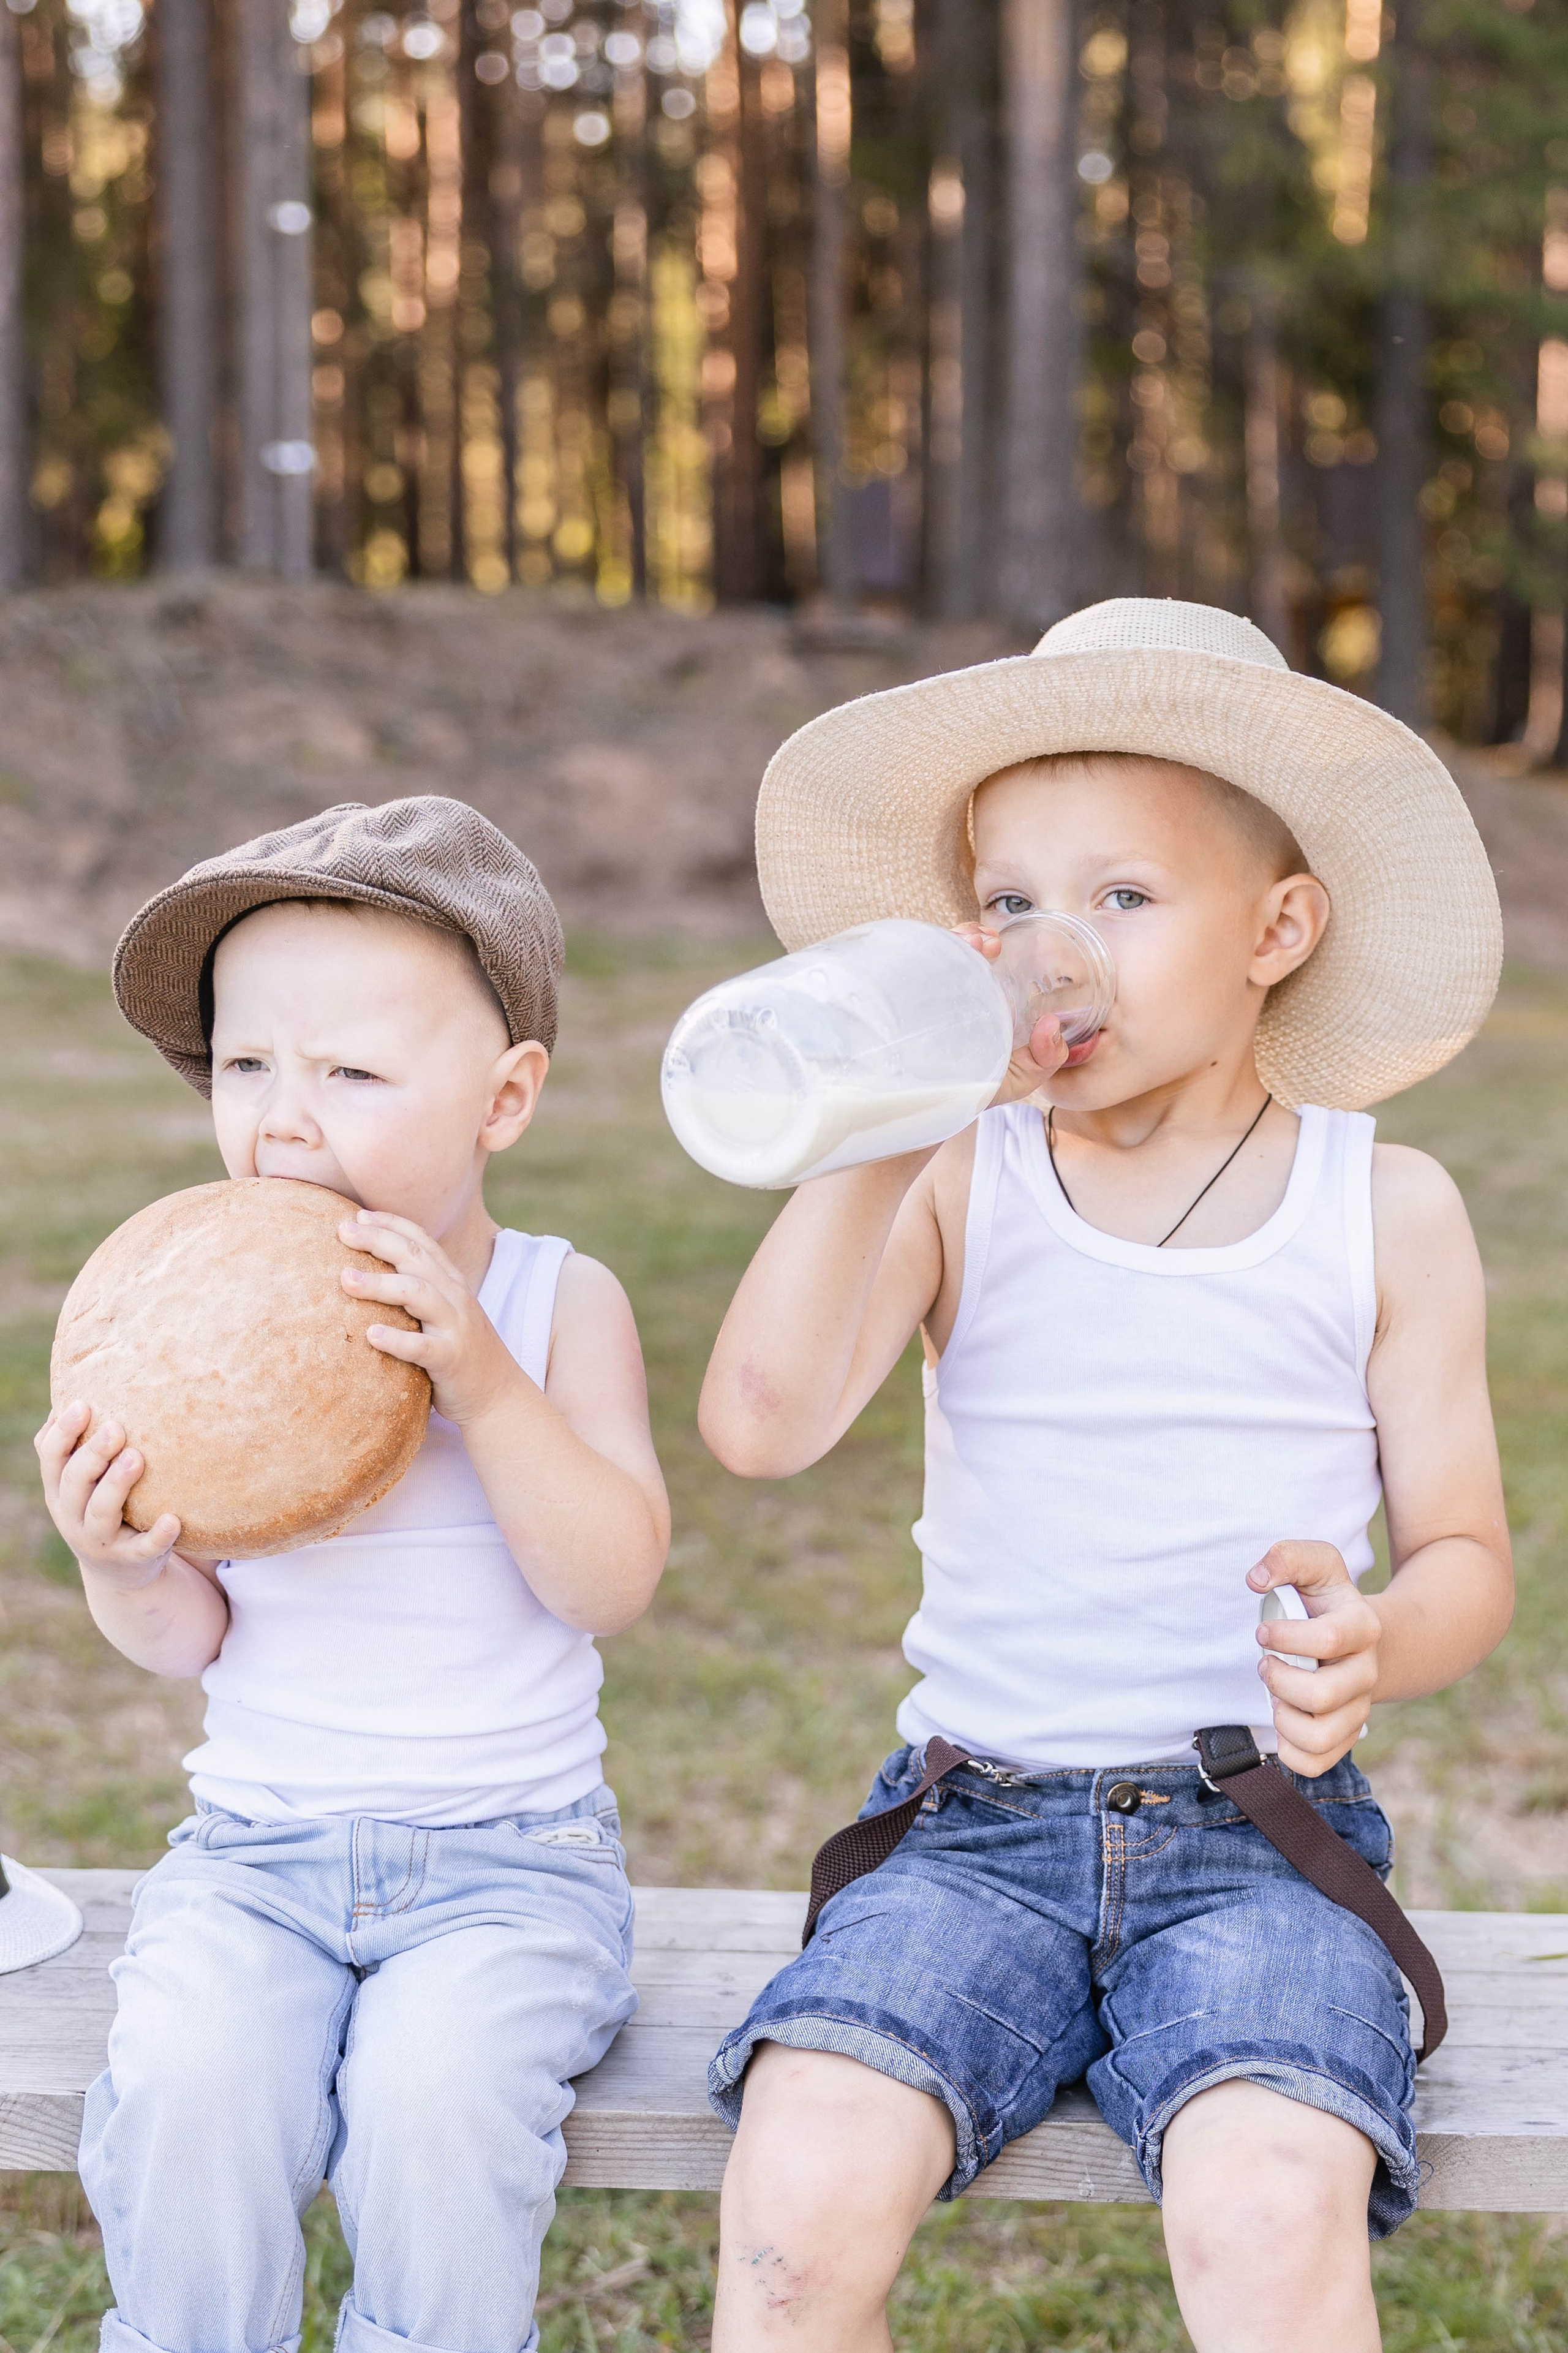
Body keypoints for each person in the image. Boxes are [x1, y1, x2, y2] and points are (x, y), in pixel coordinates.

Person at [697, 600, 1514, 2353]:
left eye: (1123, 899)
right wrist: (875, 1125)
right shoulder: (956, 1176)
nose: (1048, 951)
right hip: (972, 1829)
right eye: (1009, 904)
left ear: (1278, 927)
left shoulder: (1381, 1206)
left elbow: (1465, 1551)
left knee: (1267, 2205)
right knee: (797, 2190)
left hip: (1260, 1842)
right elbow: (760, 1425)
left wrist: (1381, 1636)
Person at [35, 796, 670, 2353]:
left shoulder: (550, 1302)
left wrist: (485, 1384)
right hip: (254, 1857)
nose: (285, 1118)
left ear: (502, 1096)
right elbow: (193, 1639)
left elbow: (609, 1581)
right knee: (188, 2086)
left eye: (351, 1073)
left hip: (512, 1871)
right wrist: (120, 1560)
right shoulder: (202, 1330)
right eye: (245, 1066)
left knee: (435, 2101)